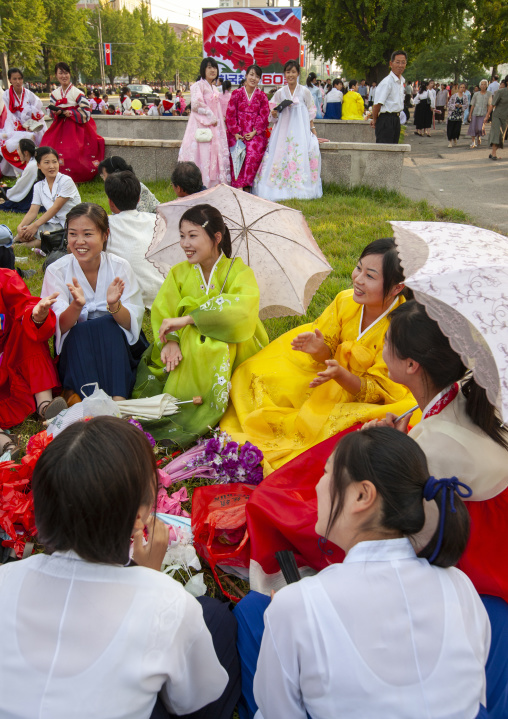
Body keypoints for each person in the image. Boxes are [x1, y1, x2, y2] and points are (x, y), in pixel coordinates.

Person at [234, 428, 490, 719]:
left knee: (252, 611)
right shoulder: (460, 586)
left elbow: (277, 714)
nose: (317, 486)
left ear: (362, 495)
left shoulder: (296, 606)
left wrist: (291, 612)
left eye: (326, 472)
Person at [0, 416, 241, 719]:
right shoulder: (168, 604)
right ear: (139, 518)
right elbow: (191, 700)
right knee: (217, 617)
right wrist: (150, 583)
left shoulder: (5, 579)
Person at [220, 238, 416, 474]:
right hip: (328, 373)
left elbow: (379, 392)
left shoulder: (399, 326)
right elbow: (329, 351)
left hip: (363, 395)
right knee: (254, 374)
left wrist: (341, 375)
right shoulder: (345, 300)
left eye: (371, 276)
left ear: (397, 288)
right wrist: (320, 349)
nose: (358, 279)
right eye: (358, 267)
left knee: (321, 430)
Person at [132, 204, 268, 447]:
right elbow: (164, 310)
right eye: (182, 236)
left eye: (193, 236)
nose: (185, 243)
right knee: (193, 345)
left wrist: (189, 319)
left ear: (217, 237)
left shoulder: (238, 271)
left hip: (234, 345)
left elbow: (241, 309)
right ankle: (188, 406)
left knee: (209, 346)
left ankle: (210, 409)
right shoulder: (179, 273)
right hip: (185, 345)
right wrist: (170, 342)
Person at [41, 203, 146, 402]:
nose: (79, 241)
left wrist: (114, 307)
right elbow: (59, 326)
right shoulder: (57, 271)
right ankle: (85, 399)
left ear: (105, 235)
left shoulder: (119, 267)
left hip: (116, 347)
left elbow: (132, 323)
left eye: (88, 234)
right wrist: (76, 306)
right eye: (73, 234)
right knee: (81, 329)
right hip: (77, 348)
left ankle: (118, 400)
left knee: (107, 324)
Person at [0, 269, 66, 446]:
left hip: (10, 355)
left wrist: (37, 316)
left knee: (26, 325)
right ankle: (4, 442)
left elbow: (25, 305)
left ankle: (45, 405)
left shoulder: (5, 279)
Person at [253, 59, 322, 201]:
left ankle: (300, 186)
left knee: (301, 153)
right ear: (284, 74)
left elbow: (310, 112)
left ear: (298, 74)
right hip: (282, 133)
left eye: (293, 72)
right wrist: (273, 113)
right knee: (279, 155)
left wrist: (313, 131)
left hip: (300, 132)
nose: (290, 75)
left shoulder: (305, 92)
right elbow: (272, 114)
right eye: (288, 72)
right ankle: (276, 187)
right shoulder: (279, 93)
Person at [105, 171, 162, 308]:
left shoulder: (104, 225)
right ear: (138, 199)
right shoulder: (158, 220)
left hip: (130, 298)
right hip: (167, 293)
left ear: (110, 202)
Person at [42, 62, 105, 183]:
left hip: (75, 127)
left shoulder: (77, 93)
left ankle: (74, 178)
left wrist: (71, 113)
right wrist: (55, 113)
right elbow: (50, 111)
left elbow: (86, 111)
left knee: (73, 151)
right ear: (56, 75)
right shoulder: (54, 94)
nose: (63, 76)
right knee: (48, 147)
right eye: (60, 73)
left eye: (66, 73)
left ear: (70, 74)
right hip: (59, 127)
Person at [178, 58, 230, 188]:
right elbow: (196, 104)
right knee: (202, 153)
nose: (213, 70)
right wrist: (210, 115)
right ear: (203, 70)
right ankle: (199, 184)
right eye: (209, 67)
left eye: (214, 67)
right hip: (201, 127)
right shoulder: (197, 86)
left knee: (213, 153)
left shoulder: (214, 89)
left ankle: (213, 184)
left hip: (214, 127)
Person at [16, 146, 81, 248]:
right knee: (24, 233)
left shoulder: (66, 181)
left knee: (46, 238)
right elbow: (33, 211)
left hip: (70, 224)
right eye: (47, 162)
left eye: (54, 162)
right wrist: (21, 226)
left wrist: (35, 225)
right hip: (52, 223)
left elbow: (56, 208)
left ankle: (18, 247)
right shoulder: (38, 186)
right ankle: (12, 242)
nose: (52, 166)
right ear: (39, 165)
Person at [225, 65, 270, 192]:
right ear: (246, 76)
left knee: (252, 152)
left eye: (256, 76)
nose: (253, 78)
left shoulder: (262, 96)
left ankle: (249, 186)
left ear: (259, 79)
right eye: (251, 74)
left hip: (255, 134)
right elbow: (230, 114)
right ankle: (239, 187)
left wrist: (255, 131)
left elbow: (264, 115)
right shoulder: (236, 94)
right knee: (238, 151)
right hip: (238, 134)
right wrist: (236, 132)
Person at [0, 67, 46, 177]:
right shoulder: (6, 95)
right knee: (8, 141)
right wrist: (19, 124)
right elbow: (8, 114)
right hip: (13, 124)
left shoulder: (29, 94)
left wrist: (30, 120)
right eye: (14, 79)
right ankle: (15, 170)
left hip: (30, 123)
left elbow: (37, 109)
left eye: (20, 78)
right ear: (10, 80)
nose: (17, 82)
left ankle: (37, 166)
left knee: (37, 136)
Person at [370, 51, 407, 144]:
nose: (400, 65)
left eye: (403, 62)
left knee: (394, 151)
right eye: (397, 62)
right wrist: (375, 120)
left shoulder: (400, 82)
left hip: (396, 119)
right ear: (391, 64)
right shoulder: (387, 82)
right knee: (384, 151)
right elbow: (377, 104)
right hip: (386, 120)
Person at [0, 138, 38, 213]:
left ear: (26, 152)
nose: (17, 152)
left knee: (5, 207)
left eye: (18, 149)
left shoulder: (32, 166)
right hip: (32, 195)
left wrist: (9, 193)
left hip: (31, 198)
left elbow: (21, 186)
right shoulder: (33, 163)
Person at [483, 76, 508, 160]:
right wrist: (487, 116)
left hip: (506, 118)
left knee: (502, 136)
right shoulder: (500, 92)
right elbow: (492, 104)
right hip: (497, 116)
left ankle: (492, 152)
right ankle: (494, 154)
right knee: (496, 133)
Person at [468, 80, 492, 148]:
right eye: (482, 84)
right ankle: (473, 142)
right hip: (475, 112)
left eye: (485, 84)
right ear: (480, 85)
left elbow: (489, 104)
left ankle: (478, 136)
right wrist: (470, 114)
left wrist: (488, 114)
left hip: (483, 113)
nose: (483, 86)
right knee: (473, 127)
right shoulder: (476, 94)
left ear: (487, 85)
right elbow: (472, 104)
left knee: (480, 128)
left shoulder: (489, 94)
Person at [446, 83, 469, 147]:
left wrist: (462, 106)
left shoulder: (465, 97)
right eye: (461, 87)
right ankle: (450, 141)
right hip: (452, 115)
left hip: (459, 115)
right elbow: (449, 104)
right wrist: (454, 105)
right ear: (458, 88)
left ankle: (455, 138)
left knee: (457, 129)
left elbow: (466, 105)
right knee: (450, 128)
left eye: (463, 87)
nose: (462, 88)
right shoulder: (454, 96)